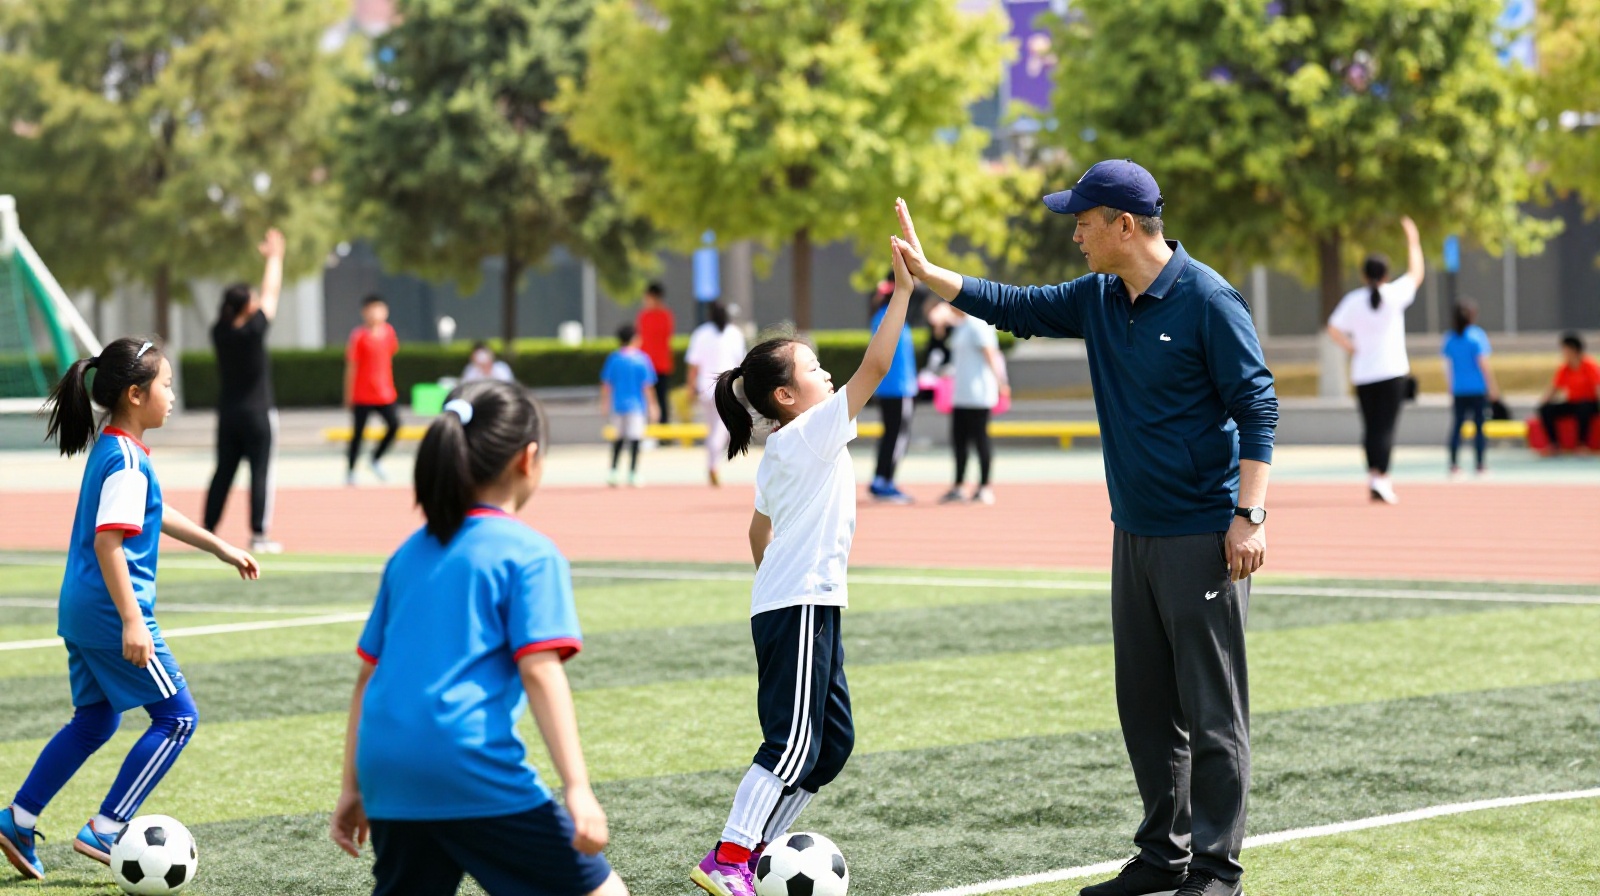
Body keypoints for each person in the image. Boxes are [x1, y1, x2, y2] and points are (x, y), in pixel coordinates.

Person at [894, 162, 1276, 896]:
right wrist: (928, 271)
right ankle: (1163, 858)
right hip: (1132, 531)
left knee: (1212, 711)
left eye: (1084, 221)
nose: (1075, 234)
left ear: (1124, 226)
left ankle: (1216, 871)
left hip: (1202, 534)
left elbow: (1259, 408)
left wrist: (1248, 516)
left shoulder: (1208, 299)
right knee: (1145, 707)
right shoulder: (1100, 297)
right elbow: (1015, 305)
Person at [329, 381, 627, 896]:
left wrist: (352, 786)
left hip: (387, 772)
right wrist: (578, 789)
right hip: (466, 764)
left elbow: (366, 677)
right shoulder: (530, 553)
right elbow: (539, 669)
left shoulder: (407, 554)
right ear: (528, 459)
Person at [689, 220, 914, 896]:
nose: (827, 374)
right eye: (815, 369)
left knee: (829, 746)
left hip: (800, 601)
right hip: (801, 603)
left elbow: (757, 533)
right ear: (786, 398)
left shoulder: (785, 448)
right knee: (790, 744)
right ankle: (729, 860)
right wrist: (901, 293)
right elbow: (876, 368)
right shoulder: (811, 433)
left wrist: (776, 580)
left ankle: (750, 850)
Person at [0, 337, 259, 883]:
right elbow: (109, 543)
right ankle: (109, 826)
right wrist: (133, 620)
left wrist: (218, 544)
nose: (171, 395)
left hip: (80, 609)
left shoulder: (121, 449)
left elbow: (151, 512)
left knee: (95, 719)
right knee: (178, 718)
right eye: (166, 385)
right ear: (136, 395)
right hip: (109, 612)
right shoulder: (125, 459)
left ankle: (17, 820)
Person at [1325, 217, 1423, 505]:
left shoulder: (1354, 300)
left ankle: (1374, 476)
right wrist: (1413, 241)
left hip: (1364, 374)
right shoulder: (1394, 295)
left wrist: (1351, 347)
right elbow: (1416, 273)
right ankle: (1382, 479)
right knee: (1386, 427)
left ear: (1363, 274)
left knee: (1370, 428)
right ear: (1386, 273)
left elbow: (1332, 327)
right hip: (1392, 372)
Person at [204, 228, 285, 554]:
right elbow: (272, 291)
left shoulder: (219, 332)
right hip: (257, 413)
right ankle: (259, 535)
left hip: (228, 414)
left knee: (223, 471)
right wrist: (275, 257)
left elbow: (263, 297)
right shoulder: (253, 331)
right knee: (261, 472)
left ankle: (208, 530)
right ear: (246, 307)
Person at [939, 305, 1009, 505]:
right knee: (959, 442)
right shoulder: (961, 326)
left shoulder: (978, 325)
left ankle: (984, 486)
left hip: (978, 395)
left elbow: (991, 355)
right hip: (960, 395)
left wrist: (1001, 382)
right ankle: (959, 486)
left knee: (980, 441)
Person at [867, 270, 919, 504]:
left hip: (890, 387)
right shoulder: (892, 316)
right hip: (899, 388)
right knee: (898, 436)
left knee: (890, 435)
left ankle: (881, 478)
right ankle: (885, 481)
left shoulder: (882, 315)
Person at [685, 302, 747, 486]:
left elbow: (693, 365)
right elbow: (741, 363)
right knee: (722, 428)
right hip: (725, 387)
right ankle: (713, 463)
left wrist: (690, 388)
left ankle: (713, 461)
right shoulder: (735, 334)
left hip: (705, 387)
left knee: (714, 427)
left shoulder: (701, 333)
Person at [345, 295, 401, 486]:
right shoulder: (359, 336)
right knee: (358, 435)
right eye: (372, 309)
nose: (376, 313)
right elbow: (351, 367)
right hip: (362, 395)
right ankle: (351, 472)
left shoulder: (389, 333)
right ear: (364, 312)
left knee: (395, 425)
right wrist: (348, 394)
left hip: (385, 393)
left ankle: (375, 458)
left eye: (380, 308)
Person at [1440, 301, 1499, 478]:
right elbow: (1483, 364)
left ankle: (1453, 465)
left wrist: (1450, 386)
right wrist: (1492, 386)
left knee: (1457, 426)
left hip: (1459, 389)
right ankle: (1480, 465)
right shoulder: (1476, 336)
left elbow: (1447, 366)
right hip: (1477, 389)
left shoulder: (1449, 338)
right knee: (1480, 427)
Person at [600, 324, 659, 487]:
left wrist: (604, 403)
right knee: (635, 440)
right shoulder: (641, 359)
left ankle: (613, 471)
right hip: (636, 406)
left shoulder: (614, 358)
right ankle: (633, 473)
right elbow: (647, 386)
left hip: (618, 405)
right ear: (634, 339)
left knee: (618, 439)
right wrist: (653, 406)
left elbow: (606, 384)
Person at [1536, 331, 1600, 453]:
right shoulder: (1565, 368)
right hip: (1573, 402)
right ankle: (1554, 444)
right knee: (1547, 409)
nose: (1562, 353)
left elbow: (1598, 387)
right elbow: (1554, 388)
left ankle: (1582, 444)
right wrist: (1543, 403)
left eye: (1564, 349)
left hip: (1591, 403)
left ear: (1573, 350)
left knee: (1584, 408)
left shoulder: (1589, 365)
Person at [636, 282, 675, 424]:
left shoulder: (664, 315)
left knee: (661, 399)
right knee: (646, 399)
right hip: (646, 364)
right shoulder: (644, 316)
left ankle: (663, 432)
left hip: (660, 365)